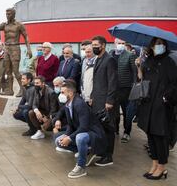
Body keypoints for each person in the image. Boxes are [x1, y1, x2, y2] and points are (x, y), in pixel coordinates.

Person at [135, 37, 177, 180]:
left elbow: (174, 83)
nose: (159, 46)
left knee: (160, 136)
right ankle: (154, 164)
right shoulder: (148, 61)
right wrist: (139, 68)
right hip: (148, 103)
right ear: (151, 46)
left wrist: (166, 98)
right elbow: (143, 80)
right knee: (150, 136)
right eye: (157, 44)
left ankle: (162, 167)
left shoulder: (169, 62)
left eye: (162, 44)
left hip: (162, 105)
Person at [54, 80, 106, 178]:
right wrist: (66, 135)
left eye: (62, 92)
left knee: (79, 138)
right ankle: (85, 150)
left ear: (70, 93)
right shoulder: (67, 104)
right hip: (82, 132)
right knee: (58, 141)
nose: (60, 95)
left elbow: (84, 127)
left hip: (93, 133)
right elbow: (70, 125)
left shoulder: (79, 104)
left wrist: (69, 138)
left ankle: (81, 167)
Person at [0, 8, 33, 97]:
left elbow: (26, 36)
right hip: (7, 48)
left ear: (14, 14)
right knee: (8, 71)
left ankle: (22, 90)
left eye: (9, 14)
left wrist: (29, 49)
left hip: (15, 47)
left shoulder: (19, 25)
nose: (7, 16)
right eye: (6, 14)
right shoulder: (5, 25)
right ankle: (10, 90)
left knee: (16, 71)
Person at [90, 36, 118, 166]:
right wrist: (92, 96)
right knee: (100, 128)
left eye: (96, 45)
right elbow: (96, 81)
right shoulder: (98, 59)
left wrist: (110, 100)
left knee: (108, 128)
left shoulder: (109, 60)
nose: (93, 47)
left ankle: (108, 156)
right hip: (97, 100)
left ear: (103, 46)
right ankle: (102, 151)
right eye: (92, 44)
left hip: (106, 102)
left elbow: (112, 82)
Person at [110, 38, 137, 141]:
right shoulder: (110, 54)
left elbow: (134, 72)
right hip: (113, 88)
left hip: (126, 89)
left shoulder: (130, 55)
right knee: (113, 111)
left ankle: (127, 132)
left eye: (122, 43)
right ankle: (115, 129)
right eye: (119, 43)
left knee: (127, 113)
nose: (120, 45)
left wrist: (134, 86)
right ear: (114, 44)